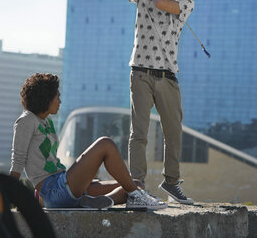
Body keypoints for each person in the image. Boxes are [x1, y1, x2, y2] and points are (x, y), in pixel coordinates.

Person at [103, 0, 201, 204]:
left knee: (174, 132)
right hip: (140, 73)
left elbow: (160, 3)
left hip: (167, 76)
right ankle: (136, 186)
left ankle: (171, 181)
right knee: (139, 133)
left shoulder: (186, 4)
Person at [9, 73, 166, 210]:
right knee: (105, 144)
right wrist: (6, 198)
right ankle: (120, 198)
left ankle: (91, 202)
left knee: (135, 185)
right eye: (57, 97)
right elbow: (18, 160)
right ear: (46, 99)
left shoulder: (46, 121)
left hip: (63, 182)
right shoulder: (26, 120)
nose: (60, 101)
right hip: (55, 190)